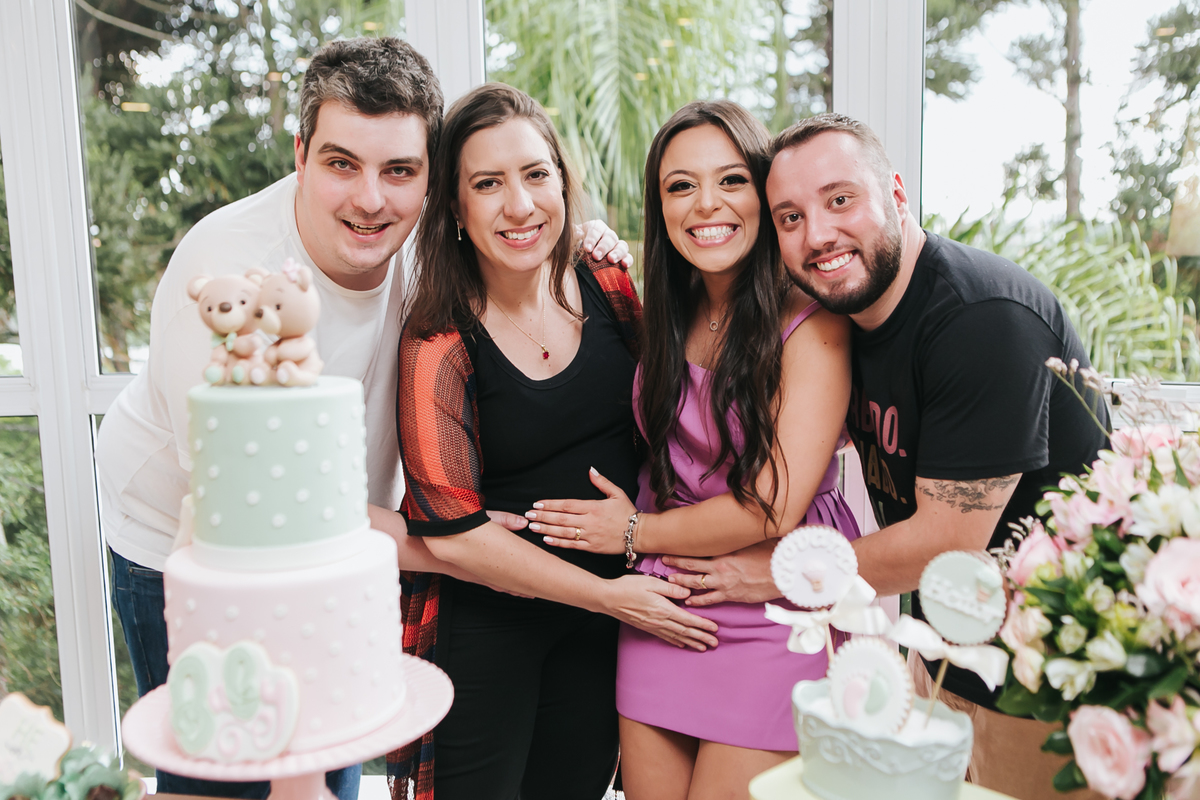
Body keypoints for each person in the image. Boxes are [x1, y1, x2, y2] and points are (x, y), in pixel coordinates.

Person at [95, 37, 628, 798]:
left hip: (351, 543)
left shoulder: (424, 242)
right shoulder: (229, 275)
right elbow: (265, 504)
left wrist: (586, 239)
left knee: (336, 749)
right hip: (191, 544)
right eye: (342, 164)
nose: (371, 199)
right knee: (232, 776)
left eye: (400, 171)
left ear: (430, 179)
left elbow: (522, 228)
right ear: (300, 154)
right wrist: (472, 552)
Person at [657, 112, 1108, 800]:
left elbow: (946, 544)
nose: (818, 235)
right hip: (945, 654)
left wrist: (775, 575)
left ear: (897, 193)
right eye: (791, 217)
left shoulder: (980, 318)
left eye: (841, 199)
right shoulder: (847, 317)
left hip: (1053, 675)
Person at [390, 83, 721, 800]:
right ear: (454, 208)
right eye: (488, 184)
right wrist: (608, 597)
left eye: (536, 174)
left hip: (606, 624)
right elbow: (455, 535)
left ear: (563, 183)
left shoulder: (608, 283)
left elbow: (672, 415)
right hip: (492, 625)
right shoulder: (438, 341)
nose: (520, 205)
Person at [523, 100, 858, 800]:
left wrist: (632, 532)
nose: (707, 204)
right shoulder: (666, 311)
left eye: (732, 180)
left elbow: (770, 507)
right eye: (681, 186)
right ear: (661, 207)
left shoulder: (813, 322)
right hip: (666, 600)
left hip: (776, 596)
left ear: (765, 194)